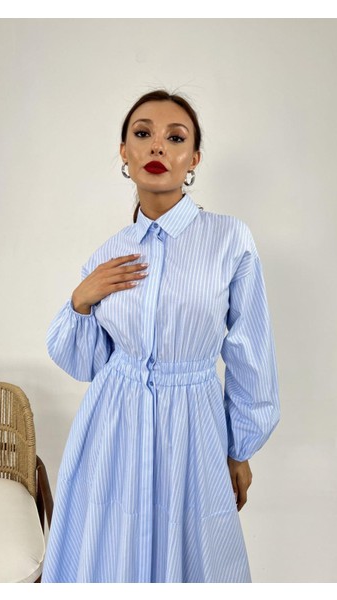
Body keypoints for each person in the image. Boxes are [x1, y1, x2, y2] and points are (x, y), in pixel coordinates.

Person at [41, 89, 280, 583]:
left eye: (175, 138)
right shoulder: (110, 254)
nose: (157, 147)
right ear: (124, 153)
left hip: (193, 425)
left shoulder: (229, 239)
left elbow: (250, 351)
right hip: (112, 428)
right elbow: (87, 363)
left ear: (193, 160)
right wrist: (80, 299)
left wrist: (240, 448)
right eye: (143, 133)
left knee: (197, 554)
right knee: (110, 550)